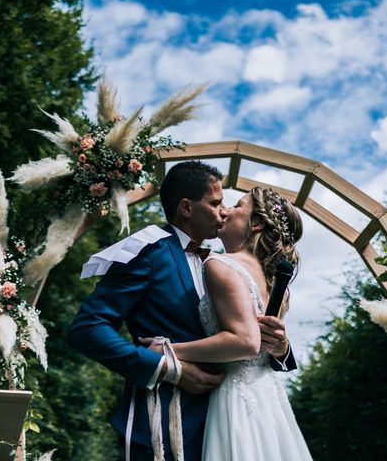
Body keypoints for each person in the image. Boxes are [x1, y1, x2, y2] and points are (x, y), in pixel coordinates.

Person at [67, 161, 296, 461]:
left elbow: (246, 339)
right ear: (187, 208)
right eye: (215, 203)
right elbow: (87, 329)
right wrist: (167, 369)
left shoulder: (227, 264)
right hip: (166, 422)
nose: (223, 211)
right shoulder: (149, 252)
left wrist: (281, 347)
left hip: (231, 422)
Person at [143, 186, 312, 460]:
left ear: (255, 223)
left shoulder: (220, 264)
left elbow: (245, 341)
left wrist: (169, 350)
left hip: (235, 398)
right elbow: (263, 343)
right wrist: (281, 348)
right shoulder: (271, 278)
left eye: (237, 206)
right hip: (268, 399)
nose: (226, 211)